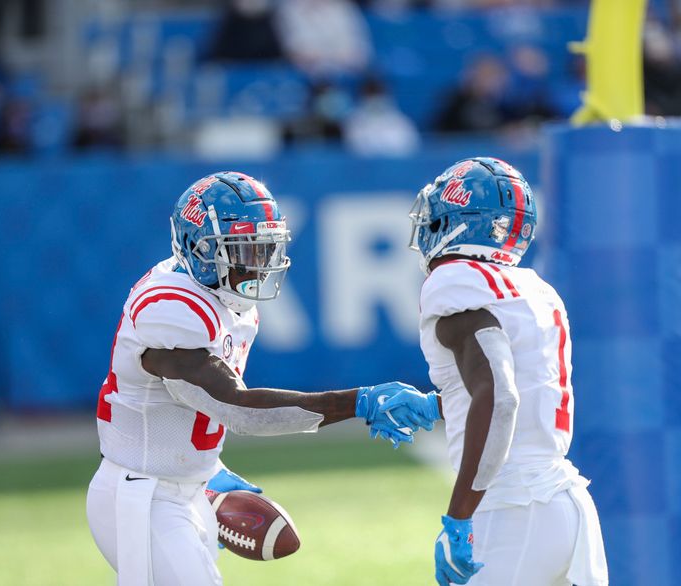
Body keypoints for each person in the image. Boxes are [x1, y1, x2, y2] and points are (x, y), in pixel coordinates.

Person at [86, 171, 421, 586]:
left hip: (184, 491)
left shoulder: (227, 301)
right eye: (243, 250)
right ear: (200, 249)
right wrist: (358, 402)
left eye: (264, 248)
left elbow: (183, 406)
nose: (257, 264)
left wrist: (208, 471)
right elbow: (237, 409)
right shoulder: (171, 307)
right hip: (142, 497)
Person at [379, 158, 608, 585]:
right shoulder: (535, 289)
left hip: (513, 506)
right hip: (566, 504)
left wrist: (459, 517)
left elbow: (501, 397)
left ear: (460, 223)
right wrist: (437, 406)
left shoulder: (454, 281)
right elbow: (514, 382)